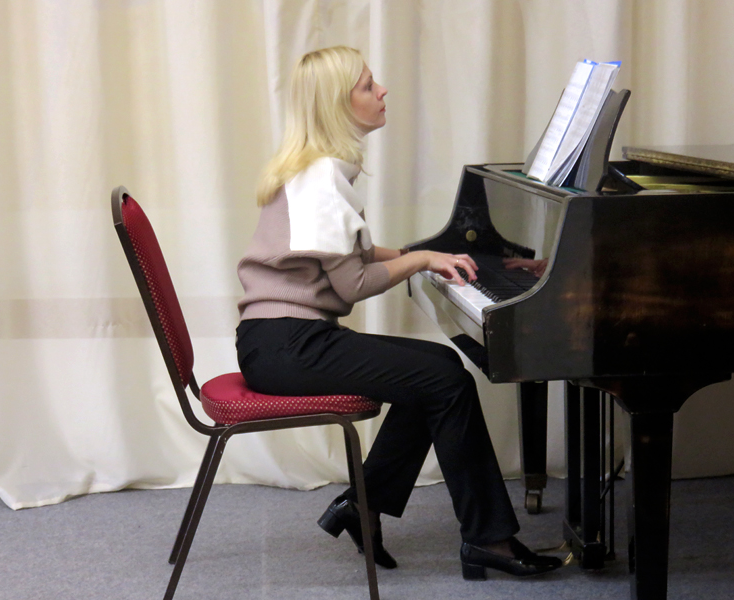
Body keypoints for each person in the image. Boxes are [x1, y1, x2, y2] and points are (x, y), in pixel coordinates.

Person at [236, 46, 561, 580]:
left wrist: (429, 254)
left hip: (282, 339)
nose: (382, 90)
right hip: (287, 346)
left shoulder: (319, 172)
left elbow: (354, 254)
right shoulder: (320, 182)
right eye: (368, 85)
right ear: (339, 104)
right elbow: (355, 282)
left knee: (440, 369)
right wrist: (420, 261)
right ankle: (489, 540)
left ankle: (363, 505)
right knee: (443, 381)